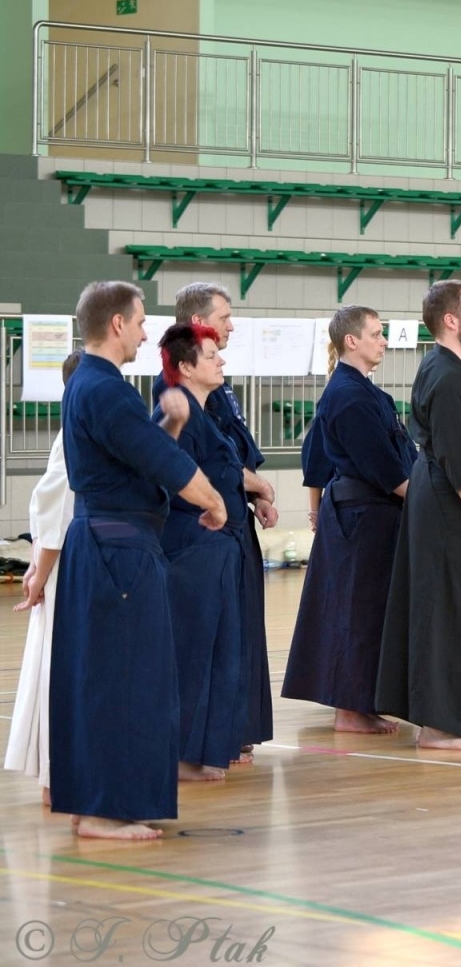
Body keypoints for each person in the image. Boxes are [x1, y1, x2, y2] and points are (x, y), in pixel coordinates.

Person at [52, 282, 225, 839]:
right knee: (125, 680)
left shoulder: (94, 386)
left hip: (109, 545)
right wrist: (215, 500)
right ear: (118, 325)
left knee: (107, 677)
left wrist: (171, 422)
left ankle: (94, 802)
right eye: (143, 320)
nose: (148, 331)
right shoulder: (104, 389)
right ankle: (105, 810)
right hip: (118, 552)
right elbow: (160, 464)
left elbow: (136, 457)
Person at [375, 282, 461, 750]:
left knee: (457, 610)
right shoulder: (447, 376)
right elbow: (457, 455)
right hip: (453, 504)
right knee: (453, 612)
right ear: (452, 320)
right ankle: (438, 725)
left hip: (445, 498)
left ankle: (450, 718)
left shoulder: (444, 368)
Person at [282, 306, 416, 732]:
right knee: (356, 610)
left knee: (368, 610)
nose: (384, 341)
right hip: (362, 516)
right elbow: (385, 468)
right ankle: (349, 709)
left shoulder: (365, 392)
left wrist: (315, 507)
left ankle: (362, 702)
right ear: (351, 341)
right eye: (376, 334)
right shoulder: (348, 395)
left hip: (368, 515)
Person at [165, 282, 276, 760]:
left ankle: (230, 731)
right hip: (200, 536)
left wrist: (254, 492)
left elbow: (234, 455)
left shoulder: (216, 396)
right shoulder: (176, 399)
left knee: (237, 636)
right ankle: (198, 743)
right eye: (223, 318)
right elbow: (190, 470)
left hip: (228, 529)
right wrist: (234, 495)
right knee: (205, 642)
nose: (231, 328)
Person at [154, 324, 248, 783]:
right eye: (211, 356)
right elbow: (172, 478)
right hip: (192, 547)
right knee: (194, 652)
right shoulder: (179, 414)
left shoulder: (205, 413)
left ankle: (203, 751)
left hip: (216, 548)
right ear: (186, 367)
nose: (221, 361)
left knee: (220, 651)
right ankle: (180, 755)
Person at [5, 351, 81, 806]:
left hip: (73, 559)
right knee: (59, 665)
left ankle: (66, 773)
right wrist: (40, 569)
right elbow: (54, 510)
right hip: (67, 564)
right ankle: (58, 774)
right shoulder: (72, 436)